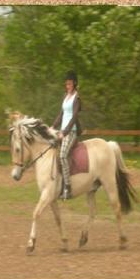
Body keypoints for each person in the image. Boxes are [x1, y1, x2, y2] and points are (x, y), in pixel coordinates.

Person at [52, 72, 82, 200]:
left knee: (63, 155)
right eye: (66, 83)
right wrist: (52, 127)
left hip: (71, 131)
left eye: (69, 83)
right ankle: (57, 183)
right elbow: (61, 114)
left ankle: (68, 187)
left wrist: (65, 132)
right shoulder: (66, 96)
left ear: (74, 83)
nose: (67, 85)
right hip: (62, 130)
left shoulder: (77, 98)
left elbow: (74, 117)